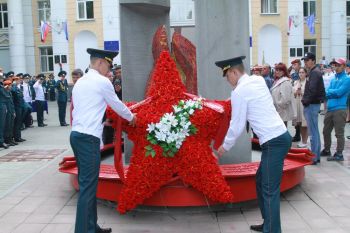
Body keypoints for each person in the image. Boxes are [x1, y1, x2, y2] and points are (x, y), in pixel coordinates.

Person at [216, 56, 291, 233]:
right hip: (278, 138)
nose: (228, 81)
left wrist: (225, 146)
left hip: (274, 141)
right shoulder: (257, 80)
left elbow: (237, 124)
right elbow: (251, 98)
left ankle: (272, 229)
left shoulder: (239, 92)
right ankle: (268, 223)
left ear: (234, 72)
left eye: (228, 77)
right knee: (261, 181)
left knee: (269, 188)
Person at [71, 48, 136, 233]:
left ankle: (92, 227)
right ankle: (84, 230)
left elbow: (84, 109)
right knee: (88, 188)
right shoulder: (102, 82)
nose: (109, 70)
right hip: (87, 138)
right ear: (99, 62)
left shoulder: (81, 81)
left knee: (88, 185)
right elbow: (117, 105)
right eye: (108, 64)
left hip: (77, 135)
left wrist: (103, 120)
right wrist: (132, 117)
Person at [319, 58, 350, 161]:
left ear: (344, 66)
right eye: (335, 65)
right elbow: (328, 92)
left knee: (339, 133)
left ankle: (339, 153)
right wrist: (332, 92)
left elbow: (339, 93)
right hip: (330, 108)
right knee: (325, 131)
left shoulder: (347, 79)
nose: (336, 67)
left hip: (340, 109)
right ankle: (327, 150)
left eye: (338, 65)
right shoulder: (333, 79)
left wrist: (331, 92)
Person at [301, 52, 325, 165]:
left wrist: (305, 101)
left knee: (313, 132)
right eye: (305, 60)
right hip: (313, 104)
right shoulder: (314, 71)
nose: (305, 62)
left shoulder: (315, 72)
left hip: (312, 105)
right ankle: (316, 156)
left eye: (307, 60)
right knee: (314, 131)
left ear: (313, 60)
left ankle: (314, 157)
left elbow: (312, 90)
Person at [292, 67, 309, 148]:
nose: (301, 74)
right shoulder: (296, 82)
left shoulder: (308, 82)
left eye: (302, 72)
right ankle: (303, 140)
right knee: (300, 124)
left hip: (304, 105)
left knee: (305, 124)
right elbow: (293, 94)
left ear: (306, 73)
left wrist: (301, 92)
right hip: (297, 104)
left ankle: (305, 141)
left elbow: (309, 93)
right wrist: (296, 92)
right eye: (300, 72)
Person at [11, 76, 26, 142]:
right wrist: (13, 84)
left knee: (19, 122)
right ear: (14, 81)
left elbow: (21, 96)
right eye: (17, 80)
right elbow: (13, 91)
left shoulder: (18, 88)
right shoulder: (14, 88)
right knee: (17, 123)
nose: (19, 81)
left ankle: (19, 136)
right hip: (16, 107)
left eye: (19, 80)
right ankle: (16, 137)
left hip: (20, 106)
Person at [0, 74, 10, 149]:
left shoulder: (1, 86)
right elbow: (6, 96)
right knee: (1, 125)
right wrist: (7, 89)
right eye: (1, 78)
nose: (2, 79)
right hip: (1, 106)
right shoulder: (1, 87)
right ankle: (1, 141)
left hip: (2, 106)